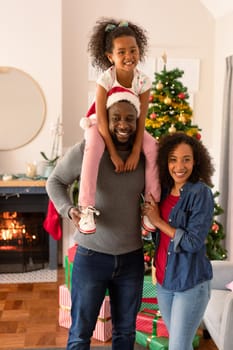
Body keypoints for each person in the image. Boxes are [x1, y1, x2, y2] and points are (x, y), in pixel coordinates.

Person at [46, 89, 148, 350]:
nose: (123, 124)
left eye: (130, 118)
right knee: (81, 333)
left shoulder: (146, 155)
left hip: (131, 259)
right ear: (104, 119)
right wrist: (69, 210)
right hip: (92, 257)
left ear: (138, 121)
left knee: (125, 333)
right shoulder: (88, 149)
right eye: (116, 117)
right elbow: (55, 181)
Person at [78, 17, 160, 234]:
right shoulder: (106, 79)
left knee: (152, 147)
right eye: (121, 52)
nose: (128, 56)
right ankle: (86, 206)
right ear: (110, 56)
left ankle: (151, 207)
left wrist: (135, 151)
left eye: (133, 50)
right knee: (93, 143)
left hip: (130, 126)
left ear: (139, 51)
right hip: (102, 123)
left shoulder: (143, 81)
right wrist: (113, 153)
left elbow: (141, 118)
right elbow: (102, 119)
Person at [142, 133, 215, 350]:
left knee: (177, 347)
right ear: (166, 161)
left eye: (186, 159)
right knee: (179, 344)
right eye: (173, 159)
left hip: (190, 283)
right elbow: (156, 234)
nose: (179, 166)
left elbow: (193, 242)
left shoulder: (201, 193)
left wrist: (158, 221)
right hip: (165, 281)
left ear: (196, 161)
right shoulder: (162, 190)